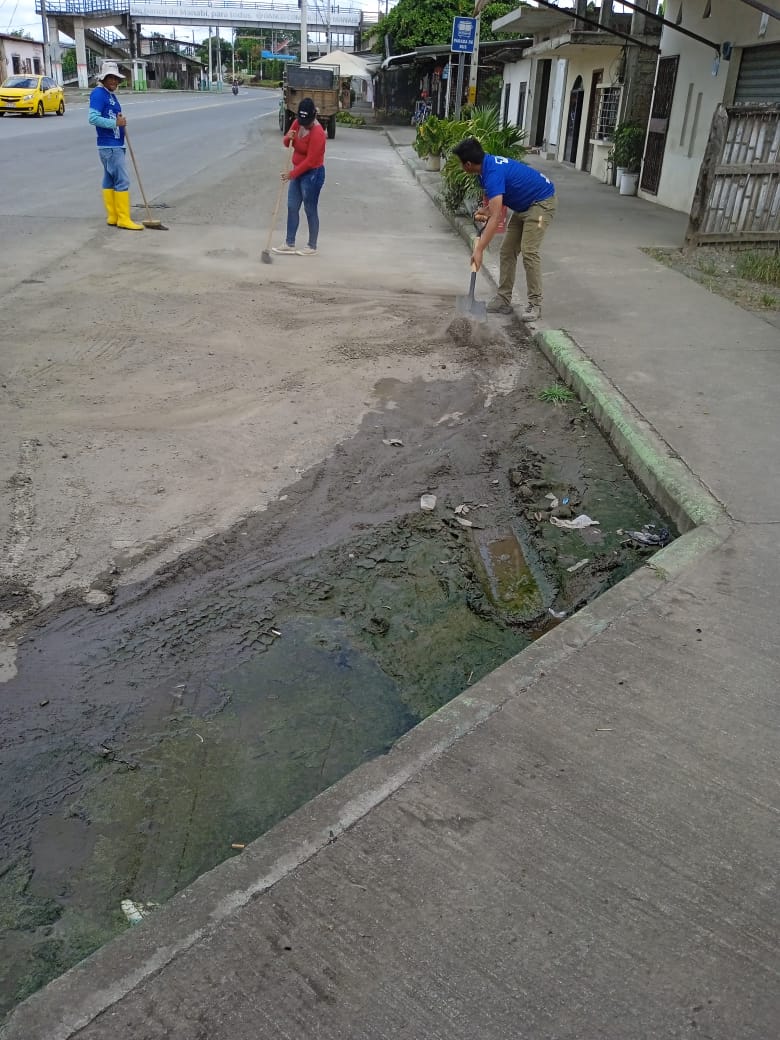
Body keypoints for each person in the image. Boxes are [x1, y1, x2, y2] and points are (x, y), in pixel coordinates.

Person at [452, 137, 557, 322]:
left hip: (542, 205)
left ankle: (535, 304)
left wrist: (479, 249)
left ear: (468, 164)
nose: (461, 167)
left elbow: (495, 219)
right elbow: (496, 206)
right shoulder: (484, 170)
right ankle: (503, 299)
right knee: (507, 251)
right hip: (523, 206)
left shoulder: (492, 173)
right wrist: (485, 211)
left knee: (529, 250)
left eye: (461, 163)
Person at [88, 61, 143, 231]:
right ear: (103, 79)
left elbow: (113, 116)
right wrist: (115, 123)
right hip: (109, 145)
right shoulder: (99, 94)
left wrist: (119, 122)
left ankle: (113, 216)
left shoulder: (110, 95)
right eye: (110, 78)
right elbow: (93, 118)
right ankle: (124, 219)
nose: (114, 81)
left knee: (109, 179)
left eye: (116, 78)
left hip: (114, 144)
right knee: (122, 180)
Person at [272, 97, 326, 257]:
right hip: (297, 172)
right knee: (292, 206)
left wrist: (291, 174)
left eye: (307, 121)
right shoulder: (298, 123)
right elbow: (286, 142)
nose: (304, 124)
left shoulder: (318, 133)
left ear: (313, 116)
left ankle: (312, 246)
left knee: (310, 209)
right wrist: (288, 137)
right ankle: (289, 243)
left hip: (312, 175)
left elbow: (310, 161)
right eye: (302, 121)